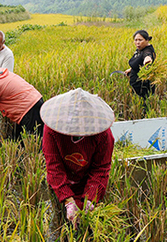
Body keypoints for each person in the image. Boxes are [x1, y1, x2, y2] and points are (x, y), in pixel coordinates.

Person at [40, 88, 115, 228]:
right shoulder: (52, 130)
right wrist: (68, 201)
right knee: (65, 224)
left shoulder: (103, 134)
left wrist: (90, 199)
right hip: (62, 181)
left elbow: (101, 168)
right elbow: (54, 166)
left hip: (88, 178)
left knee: (89, 225)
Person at [124, 29, 156, 99]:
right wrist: (131, 69)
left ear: (147, 40)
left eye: (140, 40)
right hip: (136, 86)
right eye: (136, 40)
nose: (137, 42)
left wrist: (147, 61)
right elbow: (139, 61)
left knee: (144, 105)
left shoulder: (148, 51)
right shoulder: (140, 49)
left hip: (143, 87)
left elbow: (147, 56)